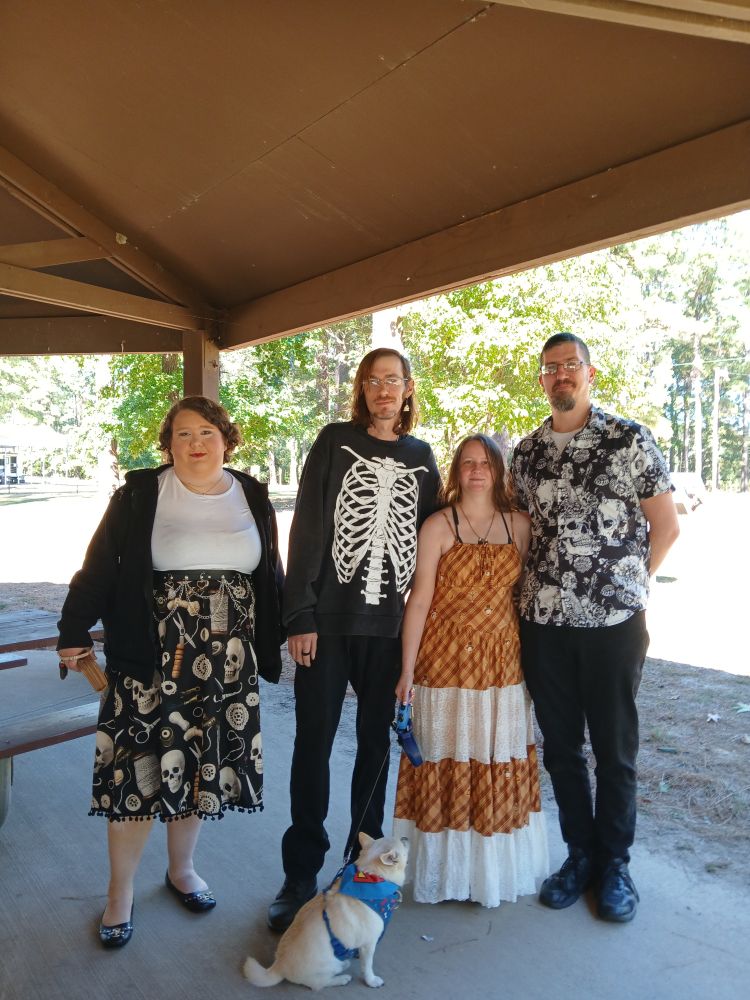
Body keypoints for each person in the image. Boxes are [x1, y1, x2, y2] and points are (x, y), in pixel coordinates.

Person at [57, 395, 284, 948]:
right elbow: (99, 563)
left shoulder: (251, 492)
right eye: (183, 434)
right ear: (168, 444)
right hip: (152, 656)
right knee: (137, 774)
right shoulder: (141, 493)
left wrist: (285, 632)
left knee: (200, 769)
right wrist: (72, 630)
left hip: (226, 664)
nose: (196, 443)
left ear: (226, 439)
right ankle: (120, 893)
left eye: (206, 432)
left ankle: (181, 870)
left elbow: (270, 572)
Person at [267, 348, 441, 932]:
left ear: (407, 388)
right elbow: (308, 527)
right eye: (373, 380)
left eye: (393, 380)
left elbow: (430, 544)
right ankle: (299, 873)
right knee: (312, 743)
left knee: (374, 749)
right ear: (363, 389)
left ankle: (359, 869)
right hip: (329, 625)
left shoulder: (422, 457)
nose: (383, 390)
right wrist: (300, 616)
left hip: (388, 633)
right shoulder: (335, 441)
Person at [511, 331, 679, 923]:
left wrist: (631, 588)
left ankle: (615, 866)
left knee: (614, 749)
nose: (562, 375)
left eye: (571, 366)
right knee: (560, 748)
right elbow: (524, 533)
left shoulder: (628, 439)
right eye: (551, 368)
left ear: (590, 373)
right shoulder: (526, 452)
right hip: (544, 624)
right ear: (542, 380)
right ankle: (579, 854)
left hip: (613, 625)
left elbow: (666, 525)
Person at [392, 434, 549, 906]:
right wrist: (406, 671)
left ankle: (488, 875)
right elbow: (418, 601)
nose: (477, 470)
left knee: (493, 757)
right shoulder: (439, 525)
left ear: (499, 471)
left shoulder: (520, 525)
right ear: (457, 471)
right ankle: (447, 873)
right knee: (447, 755)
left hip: (502, 661)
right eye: (467, 463)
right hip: (444, 660)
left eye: (485, 463)